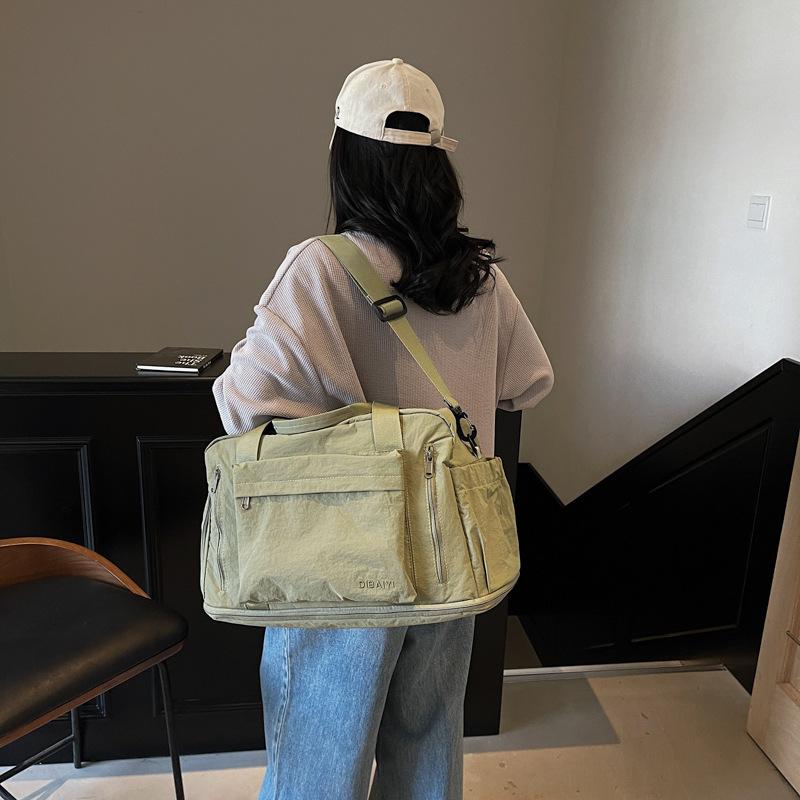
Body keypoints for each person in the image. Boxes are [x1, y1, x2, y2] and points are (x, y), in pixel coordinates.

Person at [211, 57, 554, 800]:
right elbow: (529, 381)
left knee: (317, 764)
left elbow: (245, 403)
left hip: (342, 553)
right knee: (426, 749)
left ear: (346, 157)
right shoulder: (478, 275)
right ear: (437, 165)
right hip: (447, 547)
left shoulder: (320, 268)